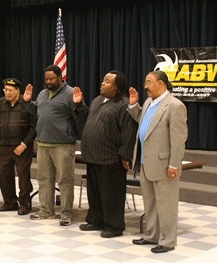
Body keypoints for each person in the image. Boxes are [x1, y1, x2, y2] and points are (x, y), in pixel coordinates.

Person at [128, 70, 188, 253]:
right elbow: (145, 122)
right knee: (150, 202)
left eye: (149, 82)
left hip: (164, 165)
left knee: (167, 204)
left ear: (161, 84)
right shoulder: (148, 102)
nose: (145, 86)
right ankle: (152, 235)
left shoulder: (174, 106)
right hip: (146, 162)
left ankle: (168, 241)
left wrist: (173, 165)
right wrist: (134, 106)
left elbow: (179, 139)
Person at [73, 70, 138, 238]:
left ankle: (114, 226)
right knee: (94, 192)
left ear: (117, 87)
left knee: (112, 195)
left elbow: (128, 132)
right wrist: (80, 105)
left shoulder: (124, 104)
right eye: (103, 80)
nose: (103, 83)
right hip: (93, 155)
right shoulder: (97, 101)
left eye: (108, 81)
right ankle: (96, 220)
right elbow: (88, 120)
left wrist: (125, 156)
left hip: (111, 158)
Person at [23, 64, 85, 226]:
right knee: (43, 179)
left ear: (60, 77)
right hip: (42, 143)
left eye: (51, 79)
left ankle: (66, 213)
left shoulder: (70, 93)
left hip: (63, 145)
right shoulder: (43, 93)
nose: (48, 82)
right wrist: (28, 102)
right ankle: (46, 211)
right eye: (46, 79)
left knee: (65, 180)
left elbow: (81, 116)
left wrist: (79, 104)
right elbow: (38, 111)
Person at [0, 78, 37, 215]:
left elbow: (34, 127)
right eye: (5, 90)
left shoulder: (26, 103)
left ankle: (25, 204)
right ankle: (9, 202)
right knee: (5, 176)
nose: (7, 93)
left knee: (23, 177)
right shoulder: (0, 103)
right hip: (4, 146)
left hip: (22, 146)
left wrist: (24, 144)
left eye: (10, 90)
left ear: (18, 91)